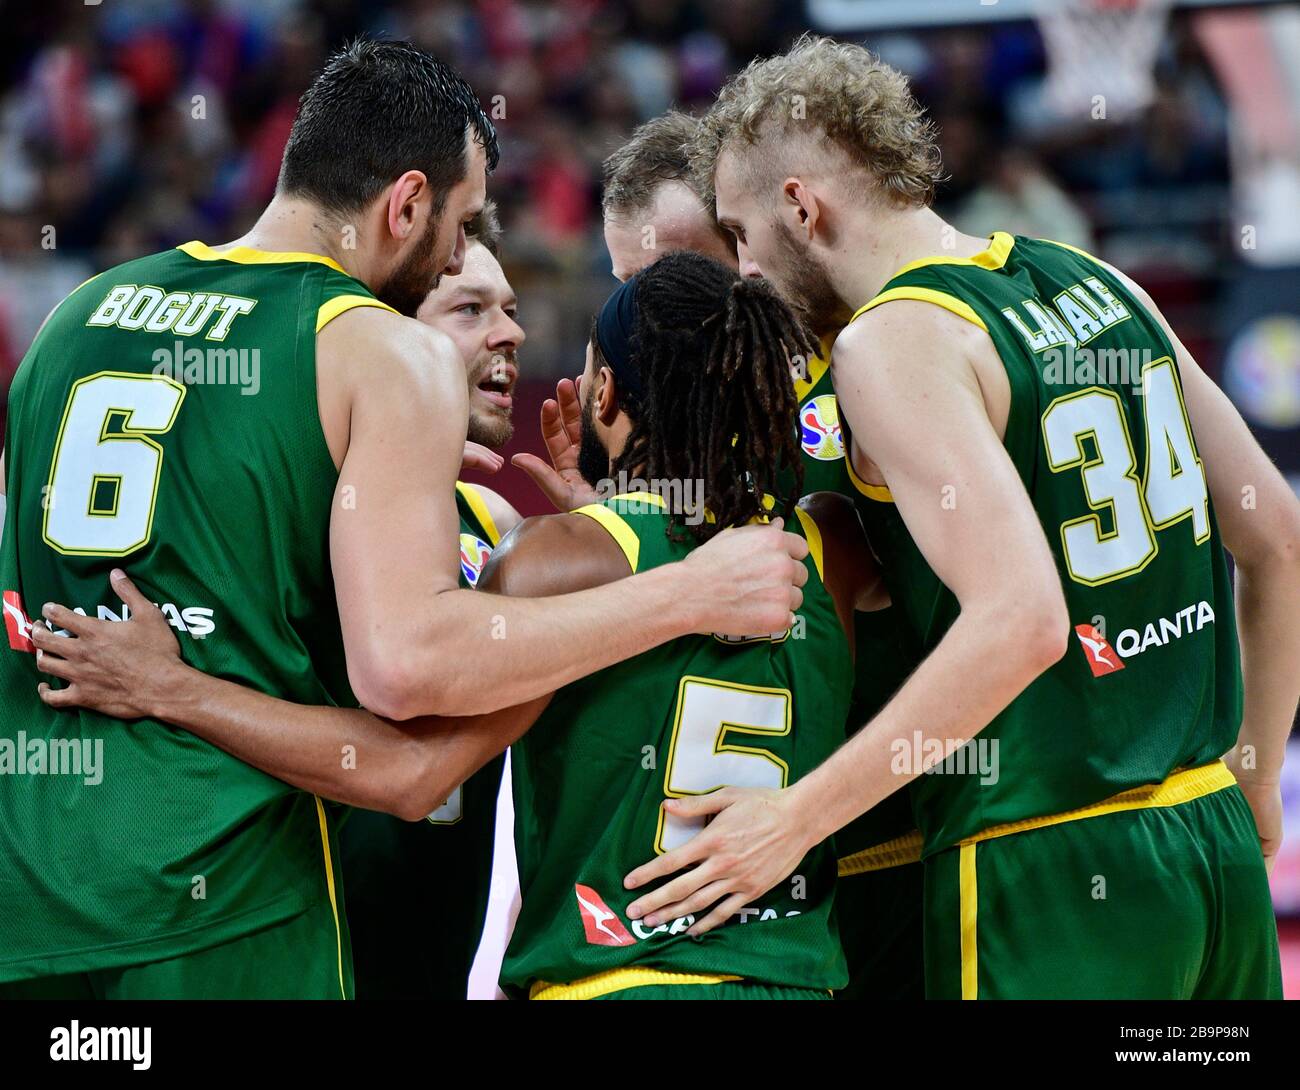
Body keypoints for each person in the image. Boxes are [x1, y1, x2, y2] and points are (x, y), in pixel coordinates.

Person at [0, 39, 806, 1000]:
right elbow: (407, 669)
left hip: (34, 896)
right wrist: (683, 589)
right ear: (407, 203)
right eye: (461, 228)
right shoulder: (372, 348)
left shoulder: (75, 314)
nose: (458, 253)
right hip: (224, 907)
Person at [623, 35, 1298, 999]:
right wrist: (1257, 768)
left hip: (1045, 864)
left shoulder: (890, 342)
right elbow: (1276, 536)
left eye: (739, 235)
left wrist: (795, 817)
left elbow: (1021, 622)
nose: (742, 274)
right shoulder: (1095, 278)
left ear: (801, 206)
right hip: (1213, 851)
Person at [339, 201, 524, 1000]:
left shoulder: (501, 521)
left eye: (511, 310)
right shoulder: (320, 503)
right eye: (471, 309)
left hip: (465, 945)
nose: (510, 333)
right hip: (328, 932)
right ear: (395, 340)